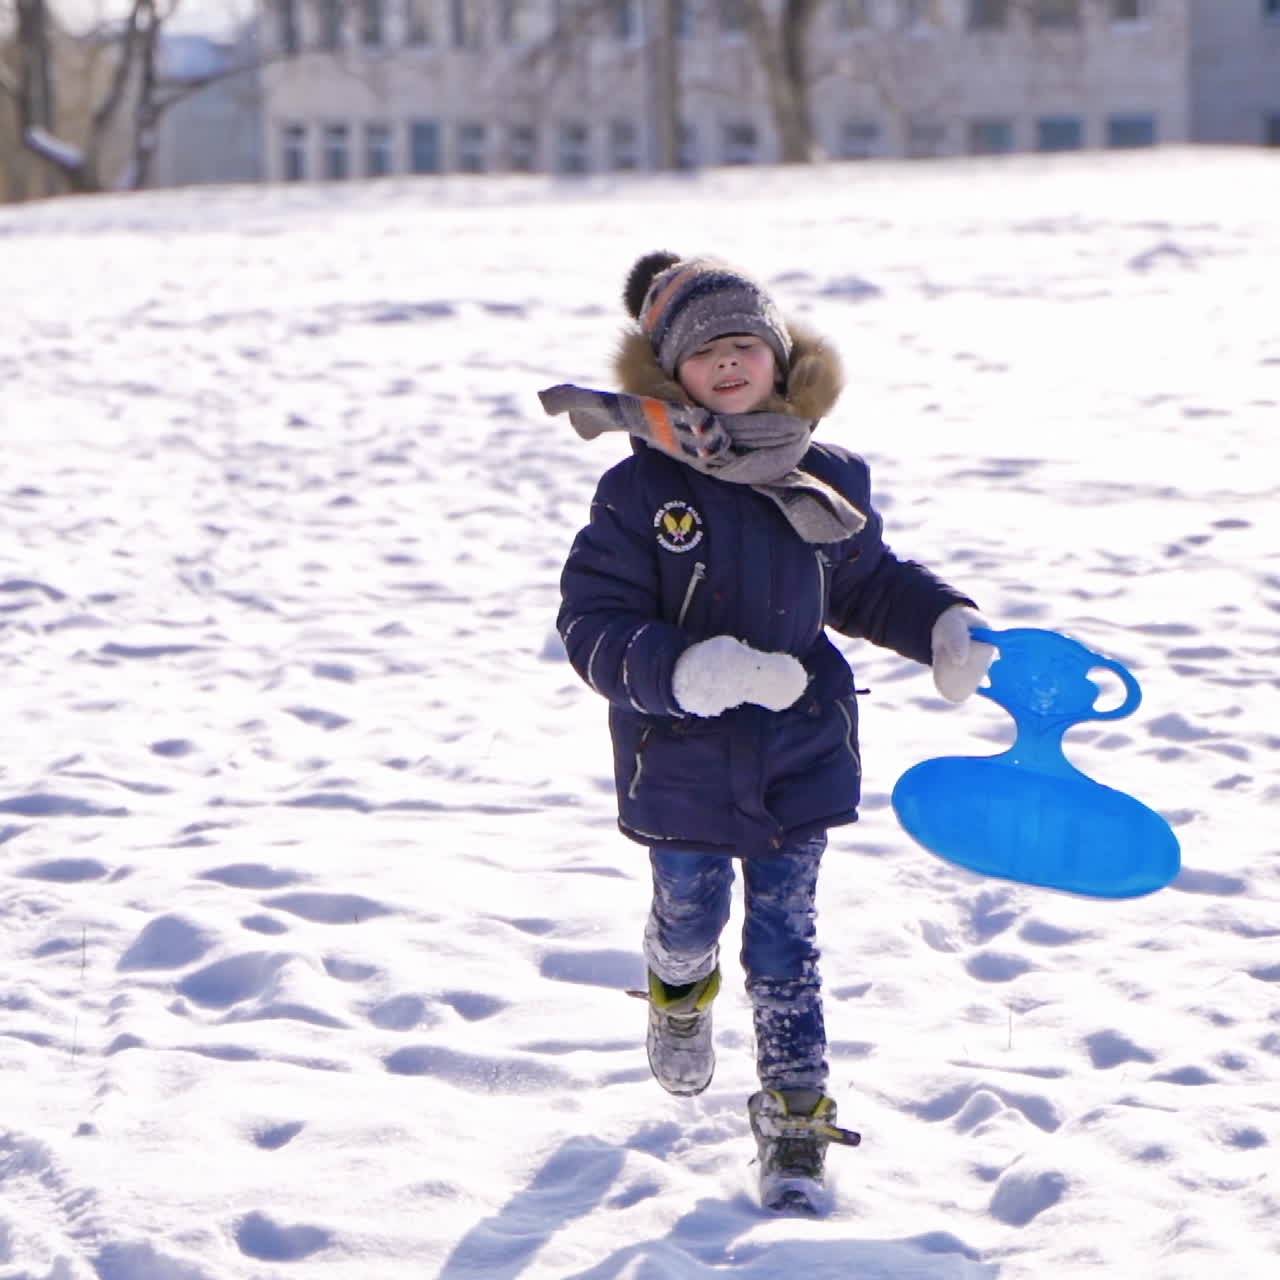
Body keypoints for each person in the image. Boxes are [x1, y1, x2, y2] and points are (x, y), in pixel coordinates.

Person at [538, 251, 993, 1210]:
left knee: (787, 946)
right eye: (708, 352)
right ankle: (675, 986)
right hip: (683, 764)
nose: (731, 363)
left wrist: (943, 625)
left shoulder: (826, 476)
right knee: (691, 916)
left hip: (798, 753)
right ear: (674, 375)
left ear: (781, 361)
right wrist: (690, 672)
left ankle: (793, 1123)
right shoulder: (640, 492)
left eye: (748, 344)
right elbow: (591, 626)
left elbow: (866, 583)